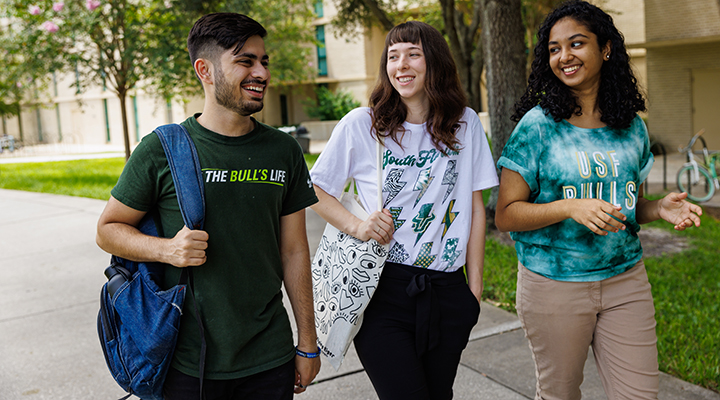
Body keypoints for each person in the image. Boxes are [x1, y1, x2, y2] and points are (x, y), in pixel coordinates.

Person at [96, 13, 320, 399]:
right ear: (205, 70)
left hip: (270, 355)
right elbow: (107, 230)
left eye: (264, 61)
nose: (261, 73)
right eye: (245, 61)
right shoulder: (162, 149)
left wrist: (307, 340)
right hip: (186, 359)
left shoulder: (283, 151)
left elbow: (294, 250)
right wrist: (167, 250)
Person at [495, 1, 703, 399]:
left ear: (605, 48)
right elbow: (506, 215)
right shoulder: (538, 126)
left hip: (626, 279)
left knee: (640, 395)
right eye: (554, 49)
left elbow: (626, 207)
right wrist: (570, 207)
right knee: (560, 393)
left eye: (576, 43)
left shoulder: (630, 126)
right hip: (554, 284)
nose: (564, 56)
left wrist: (657, 208)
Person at [309, 20, 498, 400]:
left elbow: (475, 209)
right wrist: (358, 226)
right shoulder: (363, 125)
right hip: (382, 288)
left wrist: (472, 291)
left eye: (413, 54)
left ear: (435, 62)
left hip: (447, 290)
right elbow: (315, 188)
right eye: (393, 56)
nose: (401, 65)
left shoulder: (466, 124)